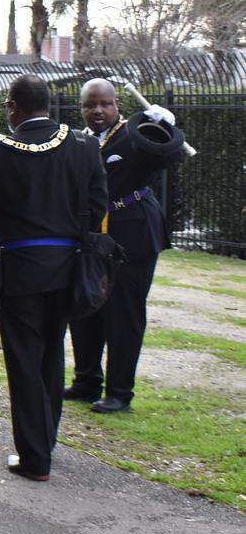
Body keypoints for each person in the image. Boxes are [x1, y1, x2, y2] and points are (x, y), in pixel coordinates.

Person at [0, 74, 106, 481]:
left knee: (24, 361)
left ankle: (35, 457)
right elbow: (97, 202)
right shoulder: (84, 145)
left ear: (12, 108)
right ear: (49, 106)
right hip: (67, 265)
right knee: (51, 356)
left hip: (20, 267)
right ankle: (46, 440)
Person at [67, 79, 188, 413]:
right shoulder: (80, 141)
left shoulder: (136, 135)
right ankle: (86, 380)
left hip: (133, 232)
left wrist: (163, 125)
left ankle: (120, 392)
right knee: (85, 303)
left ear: (117, 104)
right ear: (82, 109)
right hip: (93, 234)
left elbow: (171, 153)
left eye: (105, 104)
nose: (98, 111)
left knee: (124, 312)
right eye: (90, 105)